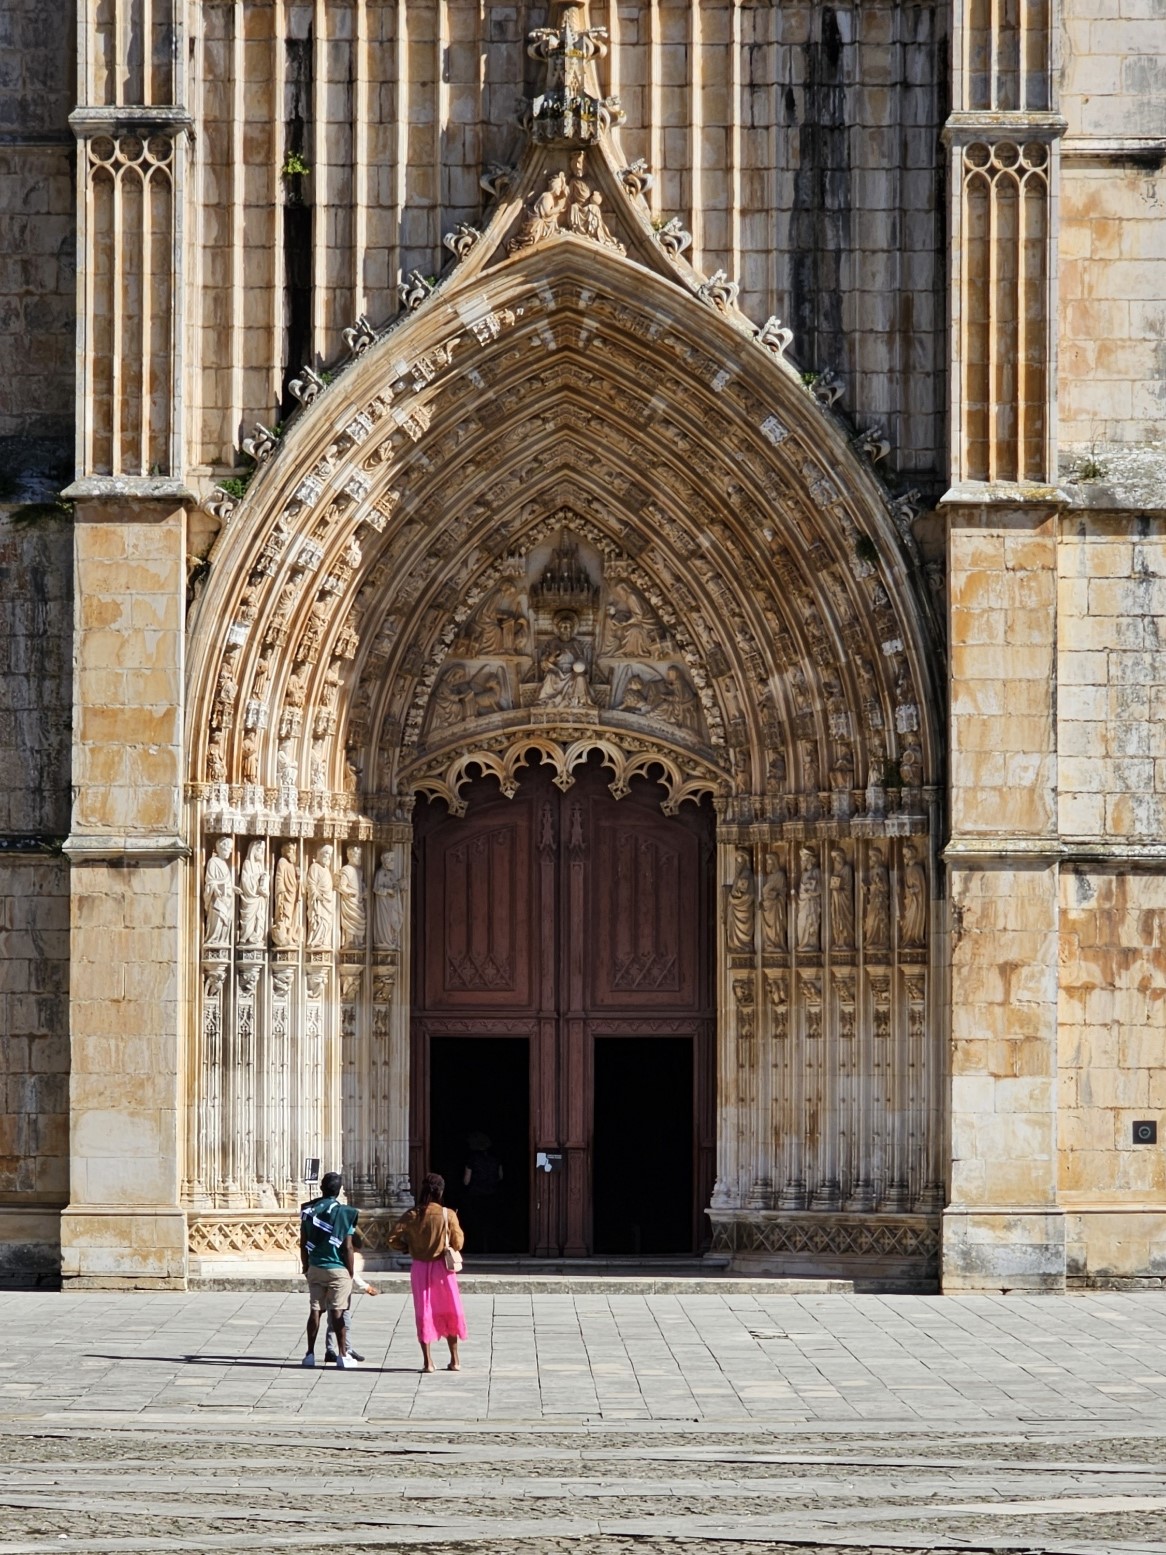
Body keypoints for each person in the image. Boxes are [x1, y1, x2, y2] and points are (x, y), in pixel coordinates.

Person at [388, 1172, 467, 1373]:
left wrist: (408, 1247)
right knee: (450, 1309)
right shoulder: (448, 1214)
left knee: (423, 1310)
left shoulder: (412, 1215)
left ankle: (428, 1362)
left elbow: (392, 1239)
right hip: (443, 1268)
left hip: (420, 1267)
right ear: (440, 1192)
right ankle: (455, 1360)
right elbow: (458, 1243)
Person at [299, 1171, 360, 1369]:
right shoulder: (344, 1212)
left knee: (315, 1310)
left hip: (315, 1266)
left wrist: (306, 1265)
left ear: (321, 1188)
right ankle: (343, 1355)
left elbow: (303, 1242)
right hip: (337, 1268)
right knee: (338, 1311)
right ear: (340, 1190)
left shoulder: (309, 1211)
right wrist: (350, 1272)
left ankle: (309, 1354)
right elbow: (348, 1246)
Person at [324, 1229, 379, 1364]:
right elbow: (352, 1272)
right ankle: (332, 1350)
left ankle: (346, 1348)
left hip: (343, 1291)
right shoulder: (340, 1256)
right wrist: (365, 1287)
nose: (353, 1254)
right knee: (335, 1321)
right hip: (336, 1289)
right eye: (354, 1250)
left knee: (343, 1321)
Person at [462, 1133, 503, 1254]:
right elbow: (501, 1176)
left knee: (476, 1223)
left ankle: (477, 1247)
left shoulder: (471, 1159)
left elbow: (466, 1181)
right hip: (492, 1194)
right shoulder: (495, 1158)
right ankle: (490, 1247)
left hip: (476, 1195)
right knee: (490, 1222)